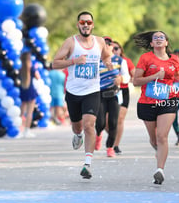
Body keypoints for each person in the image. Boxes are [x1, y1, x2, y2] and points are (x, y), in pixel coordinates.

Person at [52, 11, 112, 179]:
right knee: (78, 127)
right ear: (78, 24)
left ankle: (87, 163)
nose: (85, 25)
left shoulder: (99, 42)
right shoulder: (70, 42)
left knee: (89, 125)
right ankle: (77, 135)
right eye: (82, 22)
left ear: (92, 25)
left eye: (88, 22)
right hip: (73, 92)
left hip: (92, 91)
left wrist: (108, 65)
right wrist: (73, 61)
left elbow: (107, 56)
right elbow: (54, 63)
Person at [133, 30, 179, 185]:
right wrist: (154, 76)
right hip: (147, 103)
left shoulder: (174, 60)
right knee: (154, 138)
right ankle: (159, 151)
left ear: (166, 43)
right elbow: (136, 81)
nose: (158, 39)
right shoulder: (145, 58)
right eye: (155, 38)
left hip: (168, 101)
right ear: (151, 43)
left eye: (161, 38)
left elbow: (177, 75)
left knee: (162, 136)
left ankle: (159, 170)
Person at [95, 36, 130, 157]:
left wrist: (121, 78)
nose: (108, 47)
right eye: (104, 44)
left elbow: (127, 77)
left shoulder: (120, 61)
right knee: (100, 122)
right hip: (99, 94)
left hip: (114, 93)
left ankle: (110, 147)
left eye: (110, 45)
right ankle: (98, 134)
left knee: (113, 122)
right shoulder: (95, 60)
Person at [111, 40, 135, 155]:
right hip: (109, 91)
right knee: (108, 120)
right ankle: (111, 136)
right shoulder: (104, 61)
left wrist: (127, 78)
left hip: (123, 91)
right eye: (112, 48)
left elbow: (134, 74)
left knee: (120, 119)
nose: (114, 51)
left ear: (121, 50)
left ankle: (115, 145)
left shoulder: (126, 61)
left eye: (117, 48)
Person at [20, 51, 41, 138]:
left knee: (21, 112)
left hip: (22, 90)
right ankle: (26, 131)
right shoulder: (31, 68)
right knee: (29, 113)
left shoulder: (19, 67)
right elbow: (38, 77)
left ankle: (19, 129)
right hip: (31, 91)